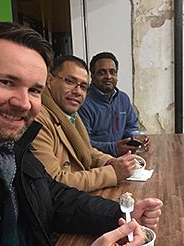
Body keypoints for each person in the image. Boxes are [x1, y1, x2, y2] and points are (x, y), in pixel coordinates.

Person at [0, 21, 163, 246]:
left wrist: (120, 213)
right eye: (6, 82)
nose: (23, 102)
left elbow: (50, 193)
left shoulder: (6, 143)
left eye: (34, 90)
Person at [32, 55, 138, 192]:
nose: (77, 92)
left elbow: (86, 149)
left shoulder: (68, 113)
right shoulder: (37, 120)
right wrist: (113, 172)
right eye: (70, 81)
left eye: (83, 86)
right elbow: (54, 182)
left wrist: (110, 161)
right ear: (50, 81)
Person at [78, 52, 151, 156]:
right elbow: (83, 143)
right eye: (102, 73)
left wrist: (137, 139)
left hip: (123, 156)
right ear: (92, 76)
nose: (108, 76)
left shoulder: (123, 99)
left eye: (112, 72)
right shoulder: (83, 103)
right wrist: (114, 148)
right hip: (96, 162)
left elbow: (130, 127)